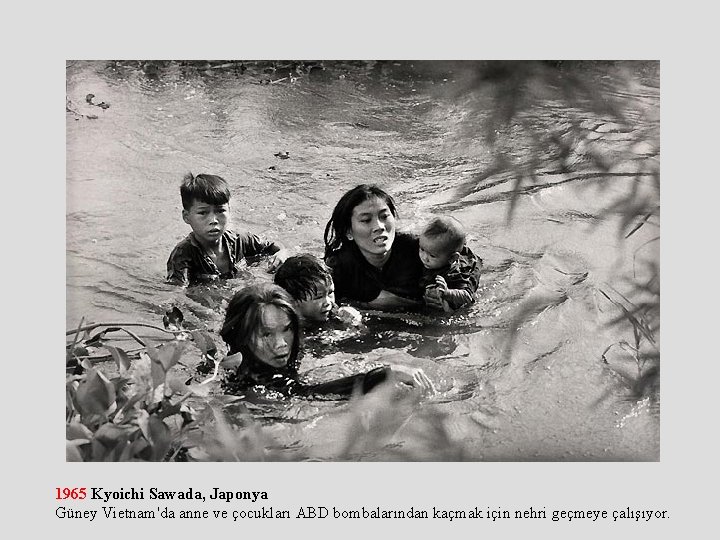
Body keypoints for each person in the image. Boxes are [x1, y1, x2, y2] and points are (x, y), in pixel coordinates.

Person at [218, 283, 434, 398]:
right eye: (266, 334)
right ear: (242, 337)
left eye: (287, 329)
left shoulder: (286, 347)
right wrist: (383, 374)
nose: (281, 344)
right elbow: (304, 393)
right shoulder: (245, 375)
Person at [166, 173, 287, 286]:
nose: (213, 220)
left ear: (229, 211)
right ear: (186, 217)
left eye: (220, 211)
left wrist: (282, 254)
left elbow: (275, 246)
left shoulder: (240, 240)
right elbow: (178, 293)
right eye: (203, 213)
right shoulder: (182, 255)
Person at [323, 184, 424, 311]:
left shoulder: (420, 250)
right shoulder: (338, 268)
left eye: (384, 216)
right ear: (348, 232)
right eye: (366, 220)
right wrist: (367, 307)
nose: (379, 226)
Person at [273, 253, 362, 326]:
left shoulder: (336, 314)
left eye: (330, 292)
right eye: (318, 297)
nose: (328, 302)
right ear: (292, 301)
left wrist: (356, 323)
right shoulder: (284, 327)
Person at [419, 216, 481, 312]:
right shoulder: (430, 251)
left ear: (452, 258)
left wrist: (448, 293)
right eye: (422, 249)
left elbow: (467, 297)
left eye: (432, 255)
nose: (424, 257)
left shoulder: (456, 274)